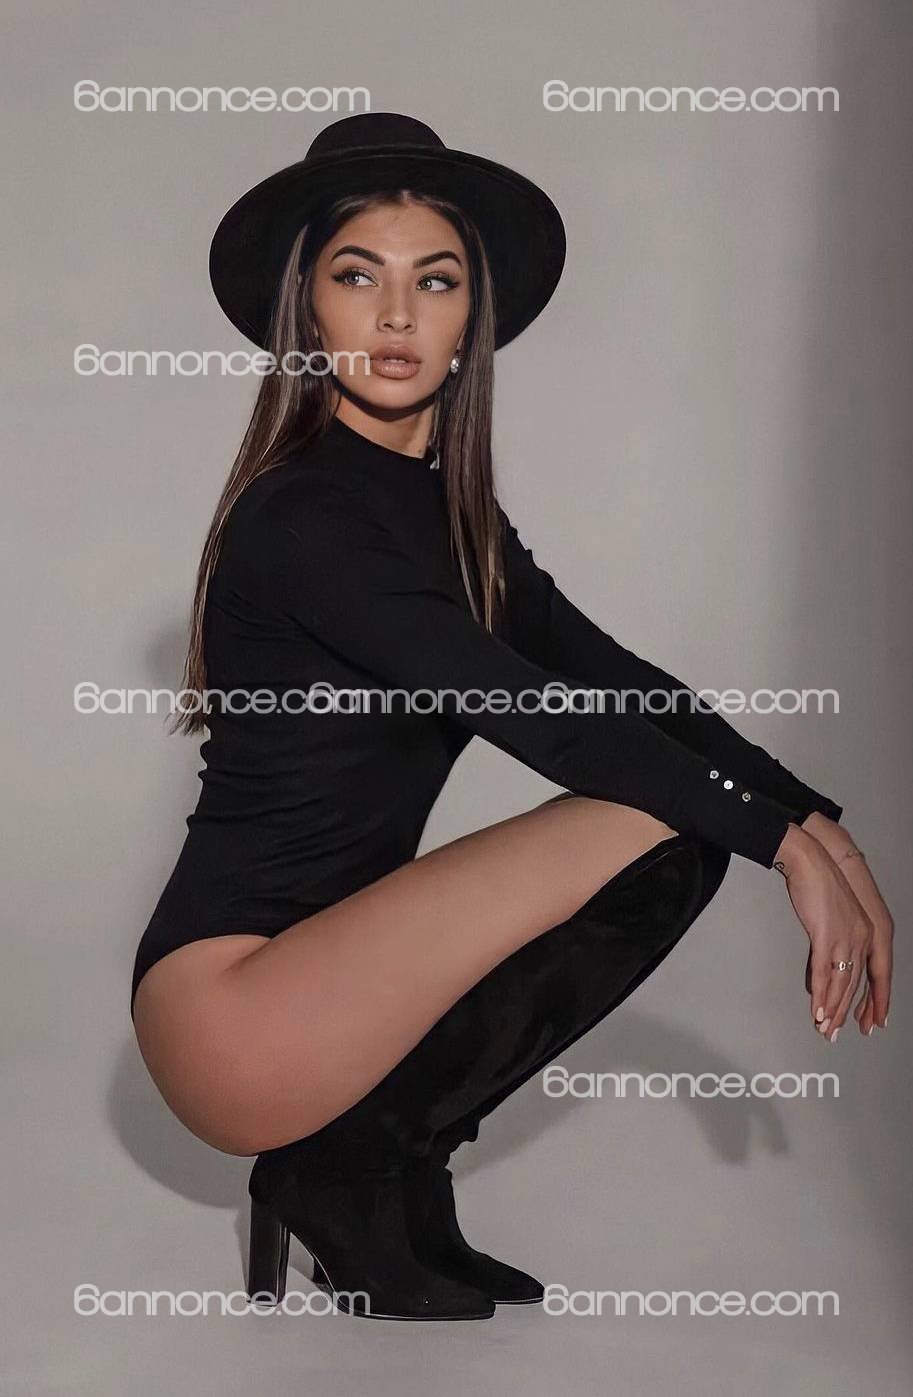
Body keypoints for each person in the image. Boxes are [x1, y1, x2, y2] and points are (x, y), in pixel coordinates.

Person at [129, 112, 893, 1321]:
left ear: (470, 317)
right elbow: (541, 718)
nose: (395, 315)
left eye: (434, 281)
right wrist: (781, 846)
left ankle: (386, 1169)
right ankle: (348, 1166)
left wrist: (815, 823)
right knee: (661, 815)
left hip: (339, 980)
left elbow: (624, 686)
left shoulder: (453, 519)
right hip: (233, 1006)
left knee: (679, 805)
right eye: (356, 277)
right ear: (305, 311)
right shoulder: (305, 517)